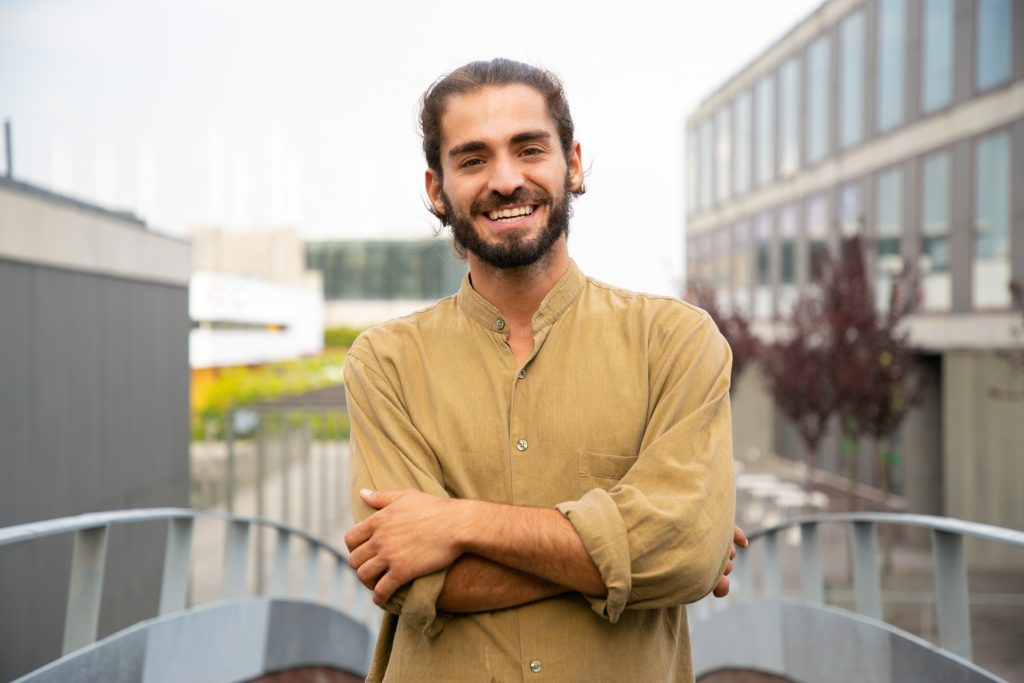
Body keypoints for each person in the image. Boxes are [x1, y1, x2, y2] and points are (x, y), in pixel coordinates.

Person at [343, 58, 743, 682]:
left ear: (573, 163)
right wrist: (633, 557)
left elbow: (685, 555)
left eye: (529, 149)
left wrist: (459, 522)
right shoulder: (385, 363)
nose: (505, 180)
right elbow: (408, 581)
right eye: (472, 159)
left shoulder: (675, 342)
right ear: (436, 189)